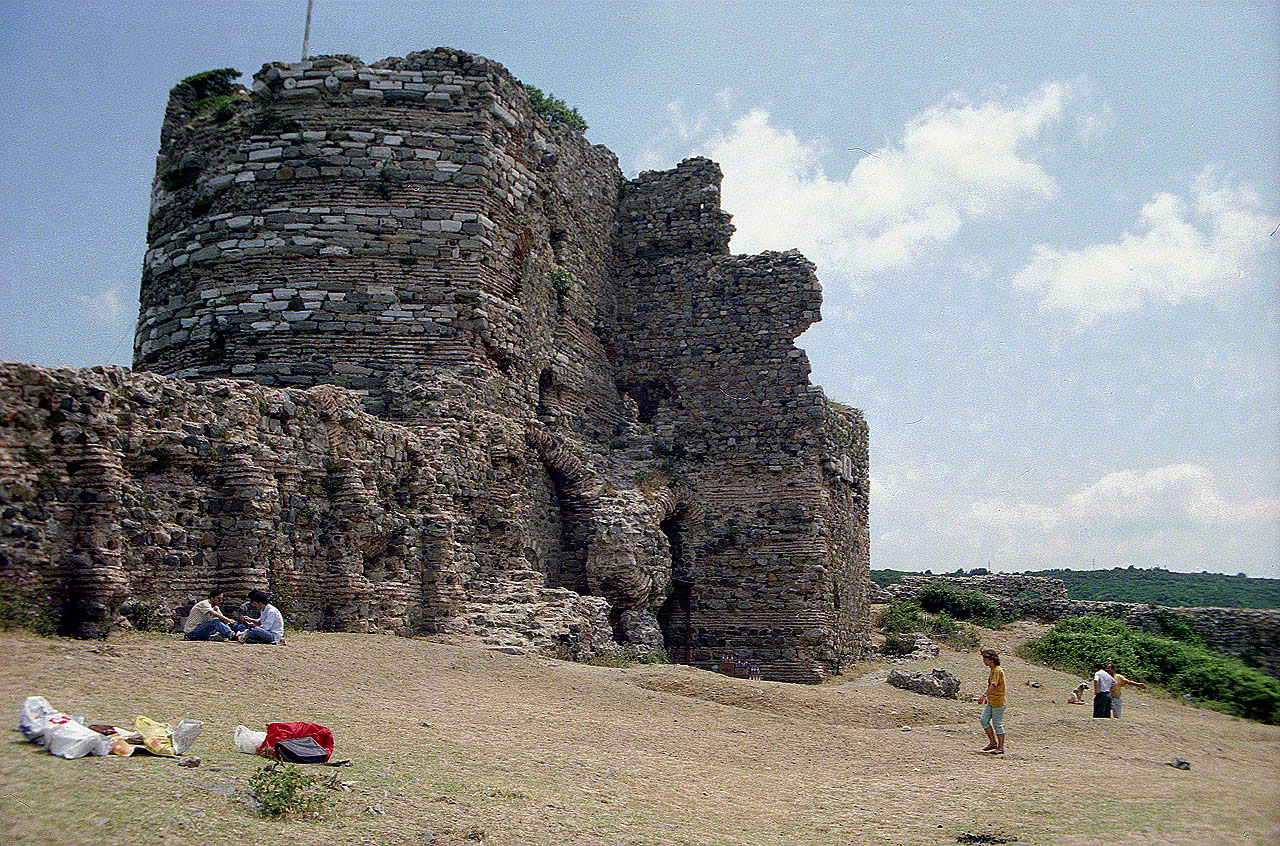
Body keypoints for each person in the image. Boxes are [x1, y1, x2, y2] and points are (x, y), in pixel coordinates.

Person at [977, 648, 1006, 754]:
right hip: (992, 701)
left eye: (985, 659)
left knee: (997, 724)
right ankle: (993, 742)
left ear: (991, 660)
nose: (984, 661)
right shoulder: (993, 670)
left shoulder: (997, 671)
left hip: (998, 702)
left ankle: (1001, 747)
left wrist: (984, 696)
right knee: (984, 720)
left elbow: (993, 685)